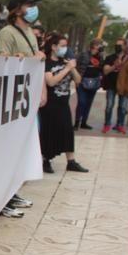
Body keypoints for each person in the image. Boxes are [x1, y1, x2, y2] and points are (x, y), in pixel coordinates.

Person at [0, 0, 41, 218]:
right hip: (10, 104)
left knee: (20, 150)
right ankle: (2, 197)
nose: (32, 9)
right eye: (29, 6)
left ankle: (13, 191)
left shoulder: (30, 32)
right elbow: (1, 64)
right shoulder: (6, 33)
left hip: (26, 102)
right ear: (17, 9)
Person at [39, 34, 88, 173]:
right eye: (62, 46)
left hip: (63, 103)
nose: (64, 49)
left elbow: (78, 80)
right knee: (48, 132)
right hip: (50, 103)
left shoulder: (65, 61)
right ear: (54, 47)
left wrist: (71, 67)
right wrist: (66, 69)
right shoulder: (47, 62)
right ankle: (45, 160)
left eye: (66, 46)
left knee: (67, 131)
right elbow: (51, 81)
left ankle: (71, 161)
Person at [100, 39, 128, 133]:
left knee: (123, 107)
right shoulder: (110, 58)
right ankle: (107, 124)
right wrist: (114, 66)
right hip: (111, 85)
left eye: (120, 45)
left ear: (125, 46)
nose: (118, 47)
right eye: (116, 45)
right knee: (109, 105)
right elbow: (105, 71)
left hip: (124, 86)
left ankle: (120, 125)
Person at [74, 39, 103, 130]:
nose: (100, 47)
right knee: (82, 102)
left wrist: (100, 75)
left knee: (88, 103)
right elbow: (76, 65)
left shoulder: (100, 56)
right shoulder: (83, 54)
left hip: (94, 82)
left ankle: (84, 122)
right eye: (98, 45)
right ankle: (77, 122)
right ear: (93, 46)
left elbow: (101, 67)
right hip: (83, 81)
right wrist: (77, 78)